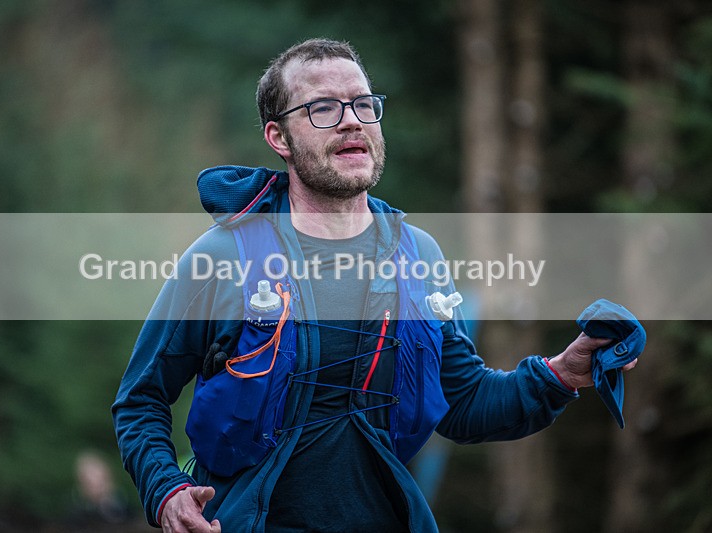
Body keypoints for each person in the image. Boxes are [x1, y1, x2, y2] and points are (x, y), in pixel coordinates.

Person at [112, 38, 638, 533]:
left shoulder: (418, 255)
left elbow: (459, 402)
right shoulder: (223, 255)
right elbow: (141, 400)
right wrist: (167, 490)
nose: (351, 122)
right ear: (279, 138)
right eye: (323, 109)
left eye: (364, 104)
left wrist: (561, 374)